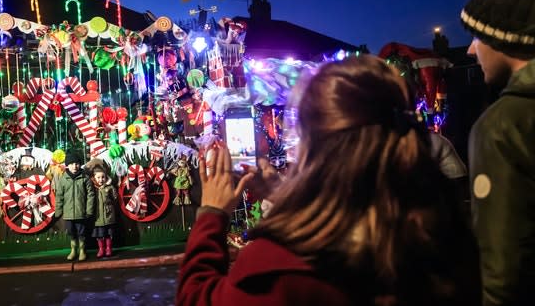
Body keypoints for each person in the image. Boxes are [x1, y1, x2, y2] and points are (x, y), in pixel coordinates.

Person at [176, 55, 480, 306]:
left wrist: (212, 215)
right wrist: (283, 197)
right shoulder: (441, 233)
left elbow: (197, 299)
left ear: (312, 144)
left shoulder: (284, 265)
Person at [461, 0, 535, 306]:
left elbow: (503, 268)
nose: (471, 51)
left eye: (478, 37)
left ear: (506, 37)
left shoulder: (503, 125)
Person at [54, 150, 95, 261]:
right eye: (71, 164)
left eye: (77, 163)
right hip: (68, 213)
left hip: (81, 212)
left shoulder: (84, 178)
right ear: (67, 165)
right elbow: (59, 195)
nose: (74, 166)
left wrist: (89, 210)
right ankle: (73, 250)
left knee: (81, 232)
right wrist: (58, 210)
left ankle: (82, 250)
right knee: (71, 231)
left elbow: (91, 194)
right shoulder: (64, 179)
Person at [90, 166, 118, 258]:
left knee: (108, 234)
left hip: (108, 215)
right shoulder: (93, 188)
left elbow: (115, 198)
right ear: (94, 178)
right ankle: (101, 249)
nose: (101, 179)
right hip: (97, 216)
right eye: (98, 177)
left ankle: (108, 248)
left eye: (103, 177)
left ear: (106, 178)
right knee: (99, 234)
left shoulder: (109, 187)